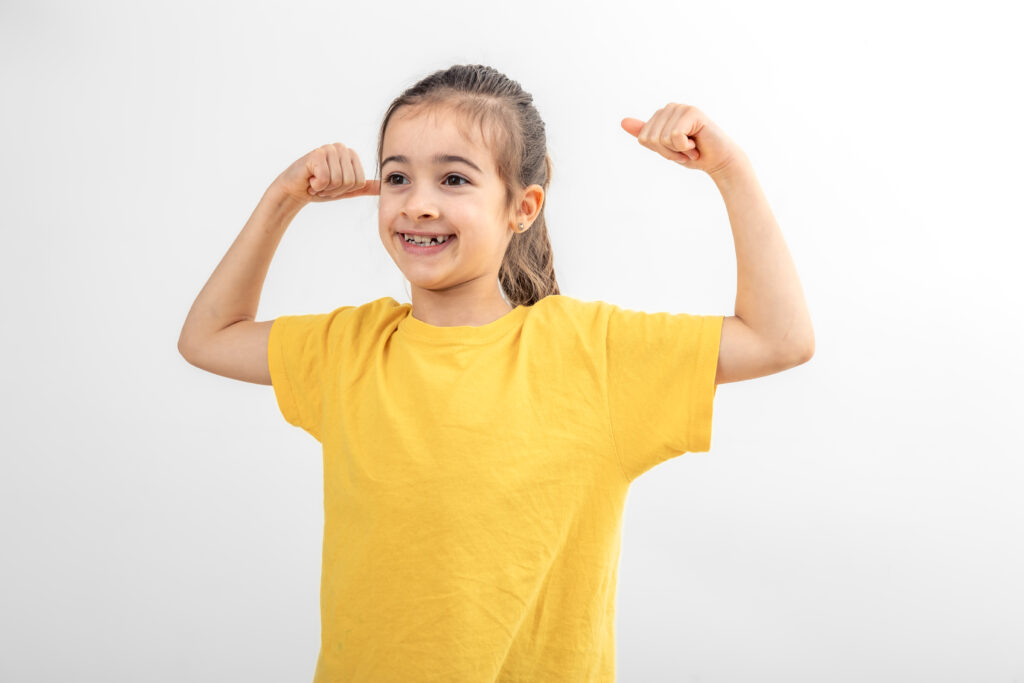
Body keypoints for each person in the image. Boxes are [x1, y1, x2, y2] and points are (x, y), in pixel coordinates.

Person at [177, 63, 814, 682]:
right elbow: (207, 338)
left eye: (453, 180)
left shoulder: (591, 354)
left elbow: (780, 339)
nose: (418, 204)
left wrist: (730, 170)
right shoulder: (350, 348)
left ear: (523, 207)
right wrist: (282, 198)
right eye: (397, 178)